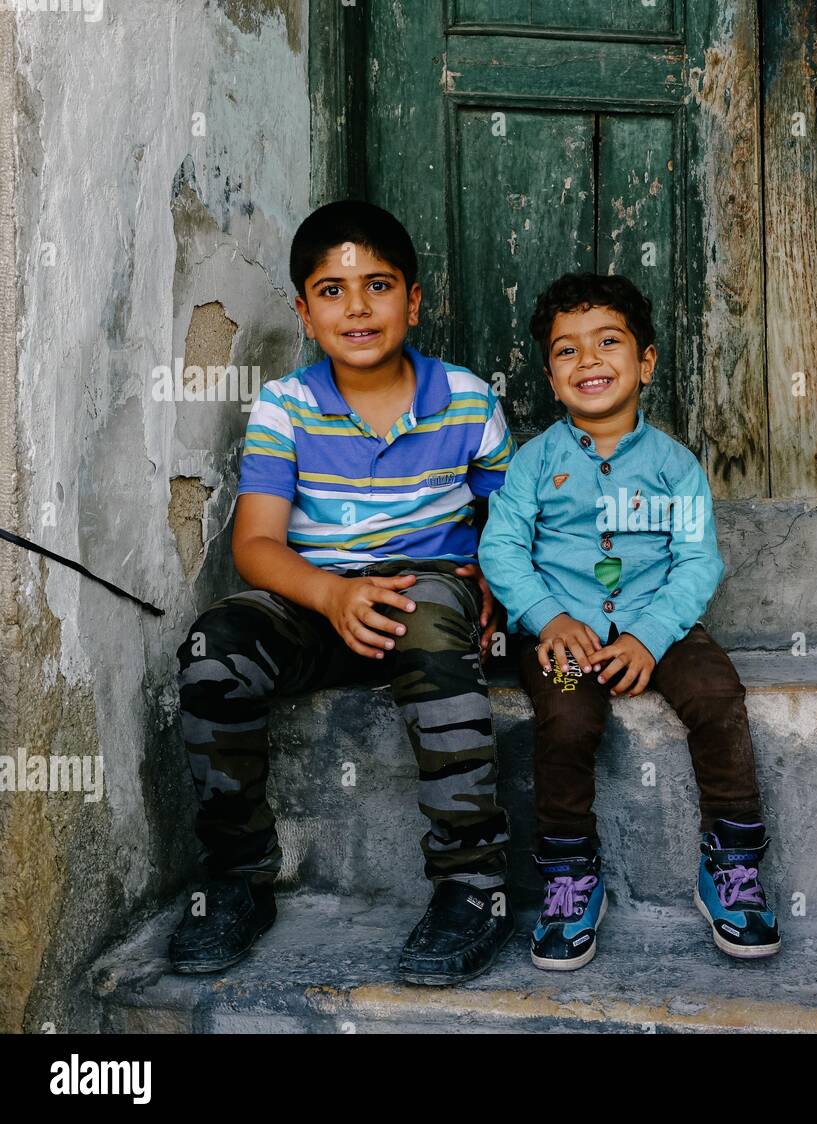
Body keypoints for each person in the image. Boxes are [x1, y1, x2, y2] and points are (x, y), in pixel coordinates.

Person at [169, 201, 516, 985]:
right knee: (213, 647)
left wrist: (496, 570)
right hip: (319, 602)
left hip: (428, 596)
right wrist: (329, 597)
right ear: (302, 310)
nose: (357, 308)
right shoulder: (285, 407)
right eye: (331, 291)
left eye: (379, 285)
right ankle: (237, 876)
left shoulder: (467, 399)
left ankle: (473, 883)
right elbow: (256, 545)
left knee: (425, 610)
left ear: (414, 300)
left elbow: (513, 513)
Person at [479, 272, 780, 970]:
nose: (588, 360)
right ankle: (569, 873)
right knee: (568, 717)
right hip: (561, 630)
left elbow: (699, 562)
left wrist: (649, 635)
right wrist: (547, 617)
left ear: (645, 362)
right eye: (566, 351)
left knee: (716, 694)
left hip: (660, 622)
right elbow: (500, 546)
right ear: (552, 380)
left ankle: (731, 866)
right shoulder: (534, 463)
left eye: (607, 342)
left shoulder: (675, 467)